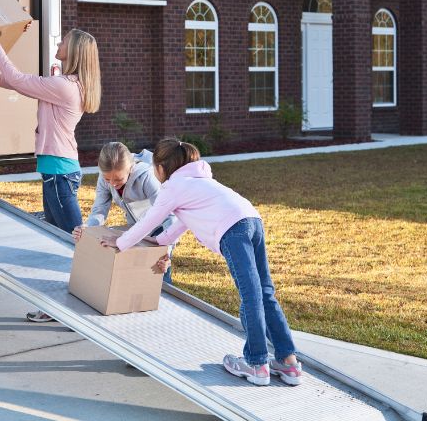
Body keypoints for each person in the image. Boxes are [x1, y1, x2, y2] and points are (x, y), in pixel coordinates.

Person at [98, 138, 303, 387]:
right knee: (265, 292)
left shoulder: (173, 188)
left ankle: (257, 363)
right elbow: (182, 223)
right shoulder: (199, 181)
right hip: (252, 219)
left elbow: (148, 221)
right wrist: (159, 242)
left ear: (161, 168)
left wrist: (120, 243)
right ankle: (288, 362)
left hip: (233, 229)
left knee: (251, 295)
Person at [0, 26, 101, 323]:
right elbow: (19, 84)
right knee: (58, 242)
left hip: (59, 172)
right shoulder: (65, 84)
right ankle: (58, 307)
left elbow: (20, 80)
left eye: (64, 41)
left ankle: (82, 310)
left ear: (75, 52)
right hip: (56, 171)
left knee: (73, 244)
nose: (59, 42)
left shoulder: (66, 86)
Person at [72, 142, 174, 283]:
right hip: (135, 229)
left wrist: (166, 251)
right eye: (108, 179)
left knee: (159, 277)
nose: (113, 184)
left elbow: (170, 217)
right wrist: (88, 227)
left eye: (119, 179)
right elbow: (100, 209)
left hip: (160, 231)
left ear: (130, 169)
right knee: (136, 278)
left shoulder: (147, 178)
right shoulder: (104, 178)